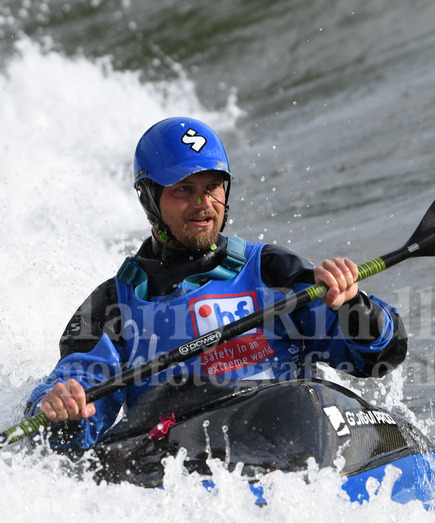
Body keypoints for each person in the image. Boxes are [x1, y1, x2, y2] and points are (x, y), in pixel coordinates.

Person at [28, 117, 408, 451]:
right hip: (190, 463)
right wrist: (61, 407)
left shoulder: (271, 271)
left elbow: (377, 358)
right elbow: (75, 403)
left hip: (293, 446)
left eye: (213, 187)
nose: (204, 203)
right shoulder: (113, 305)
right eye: (184, 190)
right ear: (149, 199)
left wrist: (353, 304)